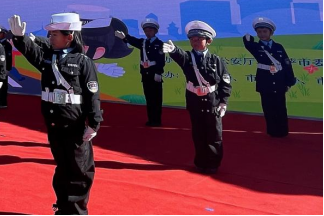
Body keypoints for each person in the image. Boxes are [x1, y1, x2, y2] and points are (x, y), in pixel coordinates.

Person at [9, 13, 103, 216]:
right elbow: (31, 52)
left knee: (79, 169)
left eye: (54, 34)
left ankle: (76, 212)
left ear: (69, 37)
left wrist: (94, 123)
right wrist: (20, 38)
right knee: (63, 167)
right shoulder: (48, 58)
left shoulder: (82, 61)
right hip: (54, 123)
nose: (50, 38)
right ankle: (63, 206)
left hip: (75, 124)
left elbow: (92, 94)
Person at [162, 21, 232, 174]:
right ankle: (200, 162)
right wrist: (173, 50)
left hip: (212, 102)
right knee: (198, 134)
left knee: (214, 134)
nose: (195, 41)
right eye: (192, 39)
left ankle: (213, 163)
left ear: (208, 41)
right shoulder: (188, 58)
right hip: (195, 102)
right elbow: (180, 55)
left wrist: (223, 102)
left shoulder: (217, 60)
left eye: (199, 38)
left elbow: (225, 82)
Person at [243, 17, 297, 138]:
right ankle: (272, 131)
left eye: (265, 31)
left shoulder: (278, 47)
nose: (262, 34)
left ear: (271, 33)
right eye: (259, 32)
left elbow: (286, 64)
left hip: (279, 81)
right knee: (268, 107)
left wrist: (289, 81)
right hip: (265, 81)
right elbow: (248, 43)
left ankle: (282, 131)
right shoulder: (256, 47)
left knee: (280, 107)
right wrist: (247, 38)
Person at [115, 18, 166, 127]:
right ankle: (151, 119)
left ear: (155, 31)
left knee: (156, 99)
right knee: (149, 98)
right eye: (146, 31)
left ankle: (157, 120)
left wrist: (158, 73)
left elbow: (161, 60)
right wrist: (125, 37)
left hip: (155, 75)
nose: (148, 33)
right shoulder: (143, 43)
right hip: (146, 75)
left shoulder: (160, 44)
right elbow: (133, 41)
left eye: (150, 30)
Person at [0, 27, 13, 109]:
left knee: (3, 85)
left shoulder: (7, 45)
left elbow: (9, 57)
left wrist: (8, 68)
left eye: (0, 33)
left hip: (4, 68)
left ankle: (3, 102)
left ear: (4, 34)